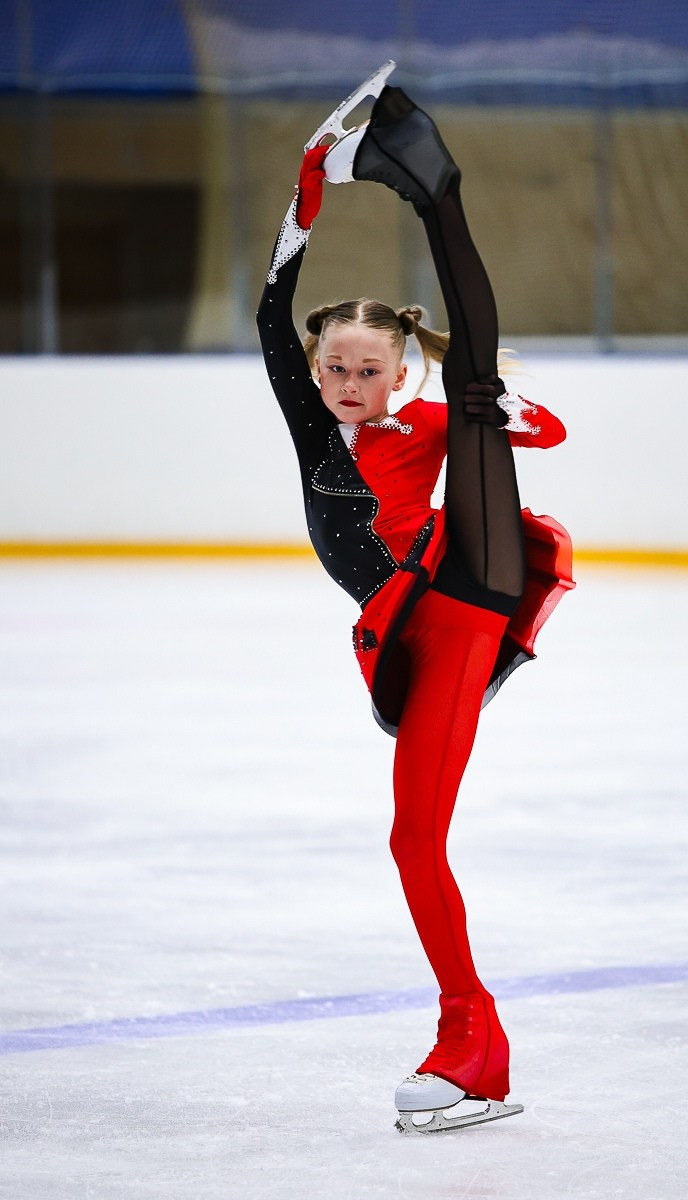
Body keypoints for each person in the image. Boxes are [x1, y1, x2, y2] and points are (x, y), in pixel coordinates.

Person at [257, 69, 574, 1134]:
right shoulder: (314, 430)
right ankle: (474, 1043)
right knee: (411, 841)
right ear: (316, 372)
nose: (347, 382)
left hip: (464, 580)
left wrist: (503, 413)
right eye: (333, 367)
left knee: (477, 386)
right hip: (423, 627)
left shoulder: (425, 425)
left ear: (396, 374)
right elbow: (268, 307)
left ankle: (428, 184)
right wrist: (307, 191)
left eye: (366, 368)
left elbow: (547, 438)